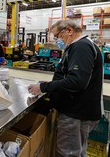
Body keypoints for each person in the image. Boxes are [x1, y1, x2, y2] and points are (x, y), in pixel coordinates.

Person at [28, 19, 103, 157]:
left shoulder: (81, 47)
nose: (57, 40)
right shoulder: (78, 46)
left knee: (68, 153)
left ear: (69, 30)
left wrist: (43, 87)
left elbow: (76, 81)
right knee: (78, 151)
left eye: (57, 36)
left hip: (76, 113)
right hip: (78, 111)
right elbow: (71, 76)